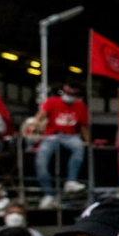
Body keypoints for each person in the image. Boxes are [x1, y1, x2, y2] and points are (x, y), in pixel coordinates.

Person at [28, 79, 89, 209]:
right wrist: (34, 125)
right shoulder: (52, 101)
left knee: (79, 148)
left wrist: (88, 141)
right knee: (41, 161)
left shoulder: (80, 106)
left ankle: (71, 181)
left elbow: (83, 126)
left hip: (70, 136)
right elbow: (41, 115)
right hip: (52, 135)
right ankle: (48, 194)